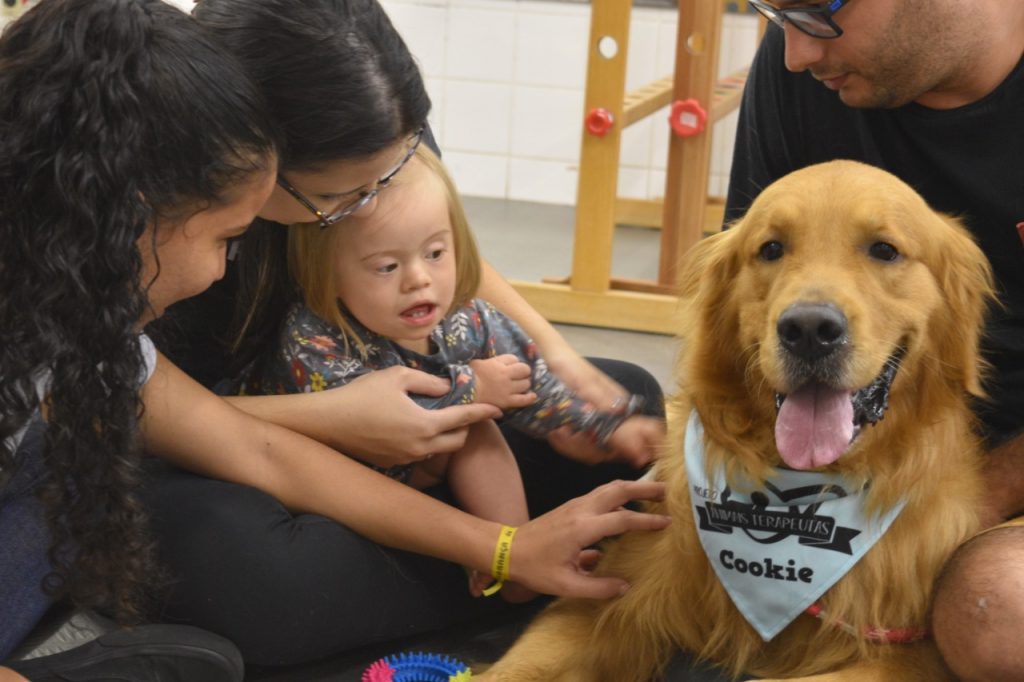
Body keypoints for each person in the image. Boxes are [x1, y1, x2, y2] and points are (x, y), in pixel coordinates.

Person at [0, 0, 673, 679]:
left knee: (627, 396)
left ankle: (492, 561)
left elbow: (262, 449)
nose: (376, 208)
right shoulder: (113, 293)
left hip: (344, 434)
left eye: (393, 173)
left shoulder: (102, 300)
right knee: (232, 558)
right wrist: (339, 421)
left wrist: (508, 529)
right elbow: (201, 432)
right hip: (206, 462)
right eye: (347, 197)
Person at [725, 1, 1024, 678]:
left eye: (817, 8)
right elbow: (750, 297)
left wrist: (989, 492)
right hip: (880, 455)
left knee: (997, 609)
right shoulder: (800, 66)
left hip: (990, 477)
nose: (795, 51)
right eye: (776, 9)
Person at [248, 146, 665, 600]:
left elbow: (535, 383)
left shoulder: (468, 317)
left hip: (419, 464)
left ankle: (517, 558)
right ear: (328, 276)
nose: (417, 279)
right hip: (334, 478)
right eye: (386, 267)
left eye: (435, 253)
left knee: (482, 426)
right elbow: (368, 420)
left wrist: (602, 427)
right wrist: (471, 387)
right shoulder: (312, 337)